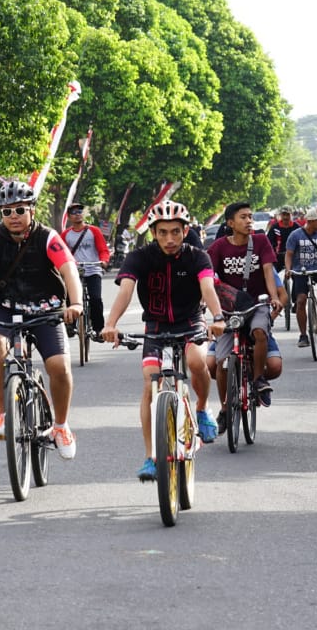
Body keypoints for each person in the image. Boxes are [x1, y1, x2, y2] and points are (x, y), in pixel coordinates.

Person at [0, 180, 84, 459]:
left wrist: (75, 303)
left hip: (46, 309)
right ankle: (2, 416)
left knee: (59, 366)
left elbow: (69, 270)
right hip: (8, 307)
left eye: (20, 210)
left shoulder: (47, 236)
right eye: (7, 211)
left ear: (32, 210)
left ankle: (61, 426)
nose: (13, 217)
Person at [100, 200, 225, 479]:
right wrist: (111, 324)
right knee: (149, 381)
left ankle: (202, 409)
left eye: (176, 232)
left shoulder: (197, 257)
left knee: (195, 361)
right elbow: (126, 291)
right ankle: (151, 457)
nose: (170, 239)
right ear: (153, 233)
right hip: (155, 326)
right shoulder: (140, 257)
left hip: (191, 321)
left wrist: (217, 317)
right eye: (163, 232)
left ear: (185, 231)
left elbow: (207, 288)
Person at [207, 201, 285, 412]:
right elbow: (207, 279)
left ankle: (258, 379)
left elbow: (268, 271)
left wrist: (273, 296)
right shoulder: (218, 247)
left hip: (256, 305)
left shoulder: (260, 242)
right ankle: (224, 410)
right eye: (243, 217)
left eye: (250, 216)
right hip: (228, 310)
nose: (249, 220)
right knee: (220, 363)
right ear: (230, 222)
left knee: (259, 332)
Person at [285, 207, 317, 348]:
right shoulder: (295, 235)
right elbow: (289, 254)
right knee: (301, 300)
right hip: (300, 271)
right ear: (311, 220)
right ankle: (303, 335)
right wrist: (288, 269)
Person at [62, 203, 111, 340]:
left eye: (80, 211)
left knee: (95, 299)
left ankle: (98, 329)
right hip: (74, 272)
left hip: (93, 269)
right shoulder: (65, 235)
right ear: (69, 217)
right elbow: (61, 253)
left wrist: (104, 261)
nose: (77, 214)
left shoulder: (94, 231)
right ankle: (70, 325)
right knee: (69, 299)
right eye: (74, 212)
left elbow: (103, 250)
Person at [265, 206, 300, 273]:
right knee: (271, 274)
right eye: (284, 215)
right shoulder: (275, 227)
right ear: (281, 215)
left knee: (298, 277)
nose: (285, 217)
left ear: (291, 215)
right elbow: (268, 242)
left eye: (287, 215)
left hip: (294, 256)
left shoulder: (296, 227)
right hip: (278, 256)